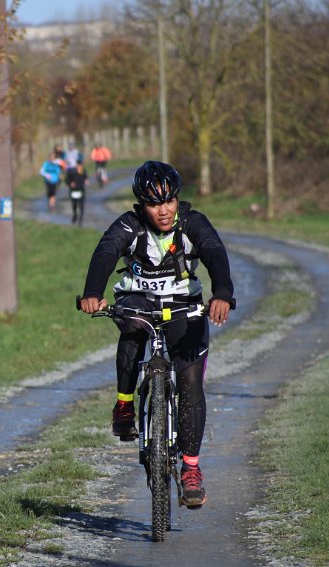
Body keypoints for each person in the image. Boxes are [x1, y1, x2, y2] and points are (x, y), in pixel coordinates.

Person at [78, 160, 234, 509]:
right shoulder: (129, 225)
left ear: (177, 199)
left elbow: (214, 252)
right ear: (141, 205)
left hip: (183, 305)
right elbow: (106, 251)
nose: (163, 211)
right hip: (138, 299)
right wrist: (92, 292)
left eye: (169, 201)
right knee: (132, 325)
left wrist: (222, 293)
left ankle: (191, 469)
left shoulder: (192, 223)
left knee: (190, 380)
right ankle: (124, 404)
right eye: (153, 204)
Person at [66, 162, 89, 226]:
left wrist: (86, 180)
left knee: (81, 205)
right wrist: (70, 183)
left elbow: (86, 178)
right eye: (78, 166)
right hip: (73, 191)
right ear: (76, 166)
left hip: (81, 191)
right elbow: (67, 180)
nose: (79, 167)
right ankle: (75, 215)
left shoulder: (83, 172)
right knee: (74, 205)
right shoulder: (72, 172)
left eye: (81, 166)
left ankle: (81, 219)